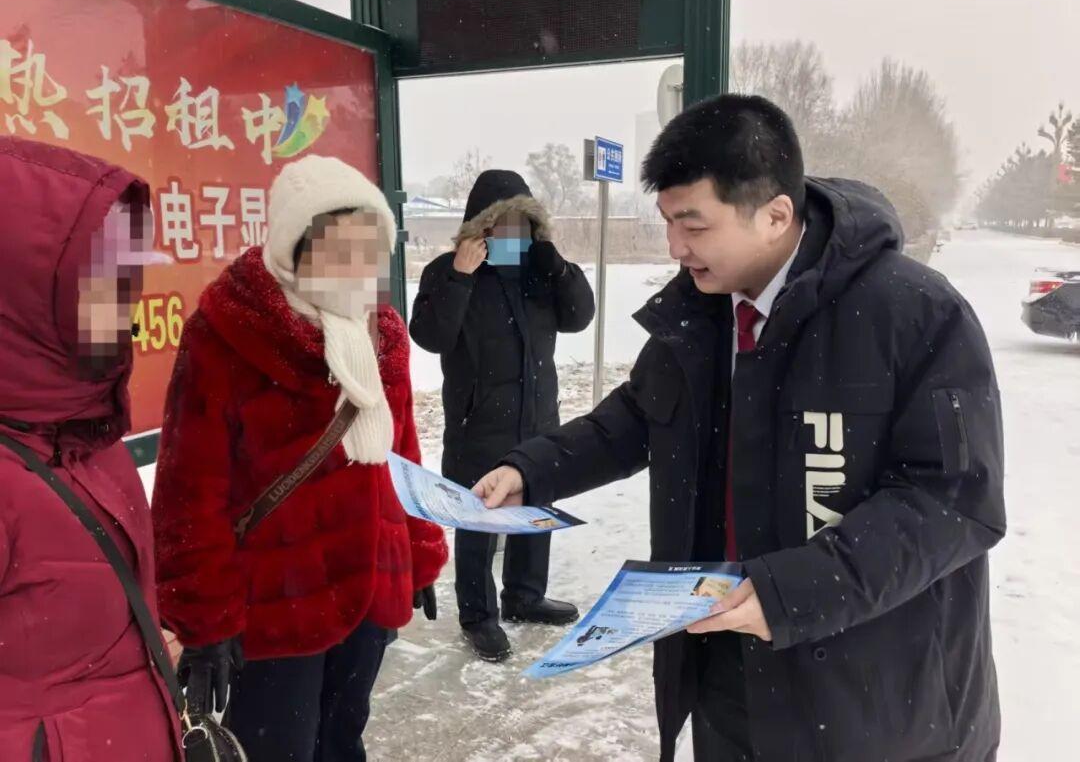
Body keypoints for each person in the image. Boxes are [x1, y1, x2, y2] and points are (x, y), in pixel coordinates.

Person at [474, 95, 1005, 762]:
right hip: (728, 673)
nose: (675, 247)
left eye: (693, 224)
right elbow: (638, 414)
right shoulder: (702, 311)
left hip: (877, 698)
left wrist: (791, 592)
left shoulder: (914, 313)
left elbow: (950, 502)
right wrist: (533, 468)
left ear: (775, 215)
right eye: (668, 222)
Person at [152, 154, 448, 762]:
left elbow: (402, 453)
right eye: (340, 250)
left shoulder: (381, 332)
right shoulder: (226, 334)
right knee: (279, 750)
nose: (358, 268)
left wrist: (418, 551)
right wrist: (204, 619)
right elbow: (189, 492)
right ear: (294, 248)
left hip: (370, 582)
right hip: (274, 604)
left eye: (370, 249)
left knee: (342, 740)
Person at [0, 136, 180, 760]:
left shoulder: (88, 431)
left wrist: (143, 650)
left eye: (131, 281)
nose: (131, 309)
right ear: (23, 293)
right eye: (105, 283)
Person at [410, 170, 595, 662]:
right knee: (477, 518)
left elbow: (580, 317)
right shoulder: (448, 271)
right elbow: (430, 335)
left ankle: (525, 596)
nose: (514, 235)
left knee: (535, 508)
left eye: (522, 225)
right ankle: (478, 615)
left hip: (538, 418)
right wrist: (460, 275)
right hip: (477, 424)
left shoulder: (540, 269)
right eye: (502, 225)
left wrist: (559, 267)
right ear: (481, 228)